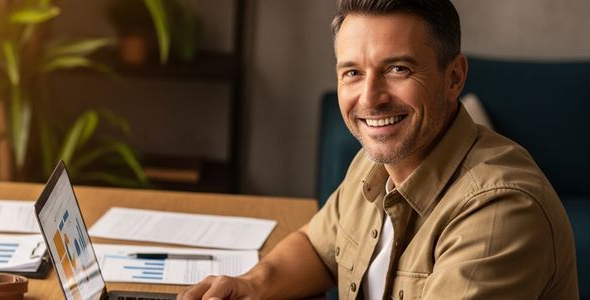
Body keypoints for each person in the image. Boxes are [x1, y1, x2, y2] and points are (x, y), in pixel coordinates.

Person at [178, 0, 579, 299]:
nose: (370, 99)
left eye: (397, 69)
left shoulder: (500, 210)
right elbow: (319, 248)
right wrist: (250, 285)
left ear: (453, 77)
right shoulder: (375, 162)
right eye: (353, 72)